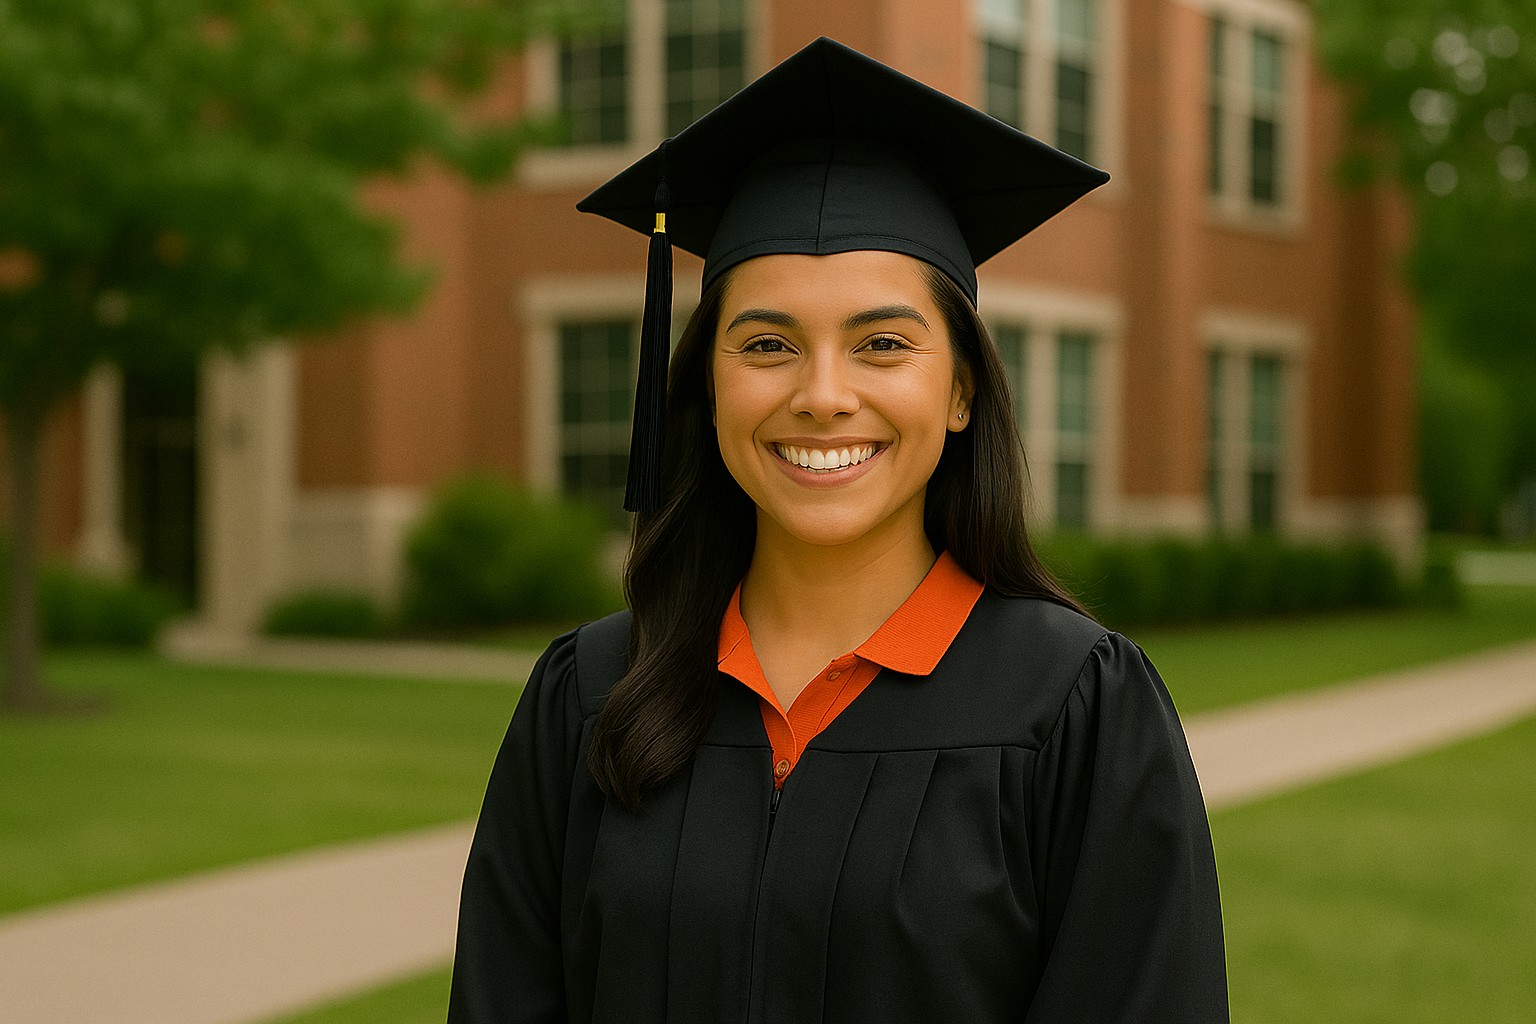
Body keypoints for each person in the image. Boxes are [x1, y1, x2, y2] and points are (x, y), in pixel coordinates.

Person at [448, 37, 1227, 1024]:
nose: (822, 396)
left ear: (960, 390)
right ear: (707, 386)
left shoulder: (1073, 709)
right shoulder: (588, 697)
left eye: (882, 344)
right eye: (767, 343)